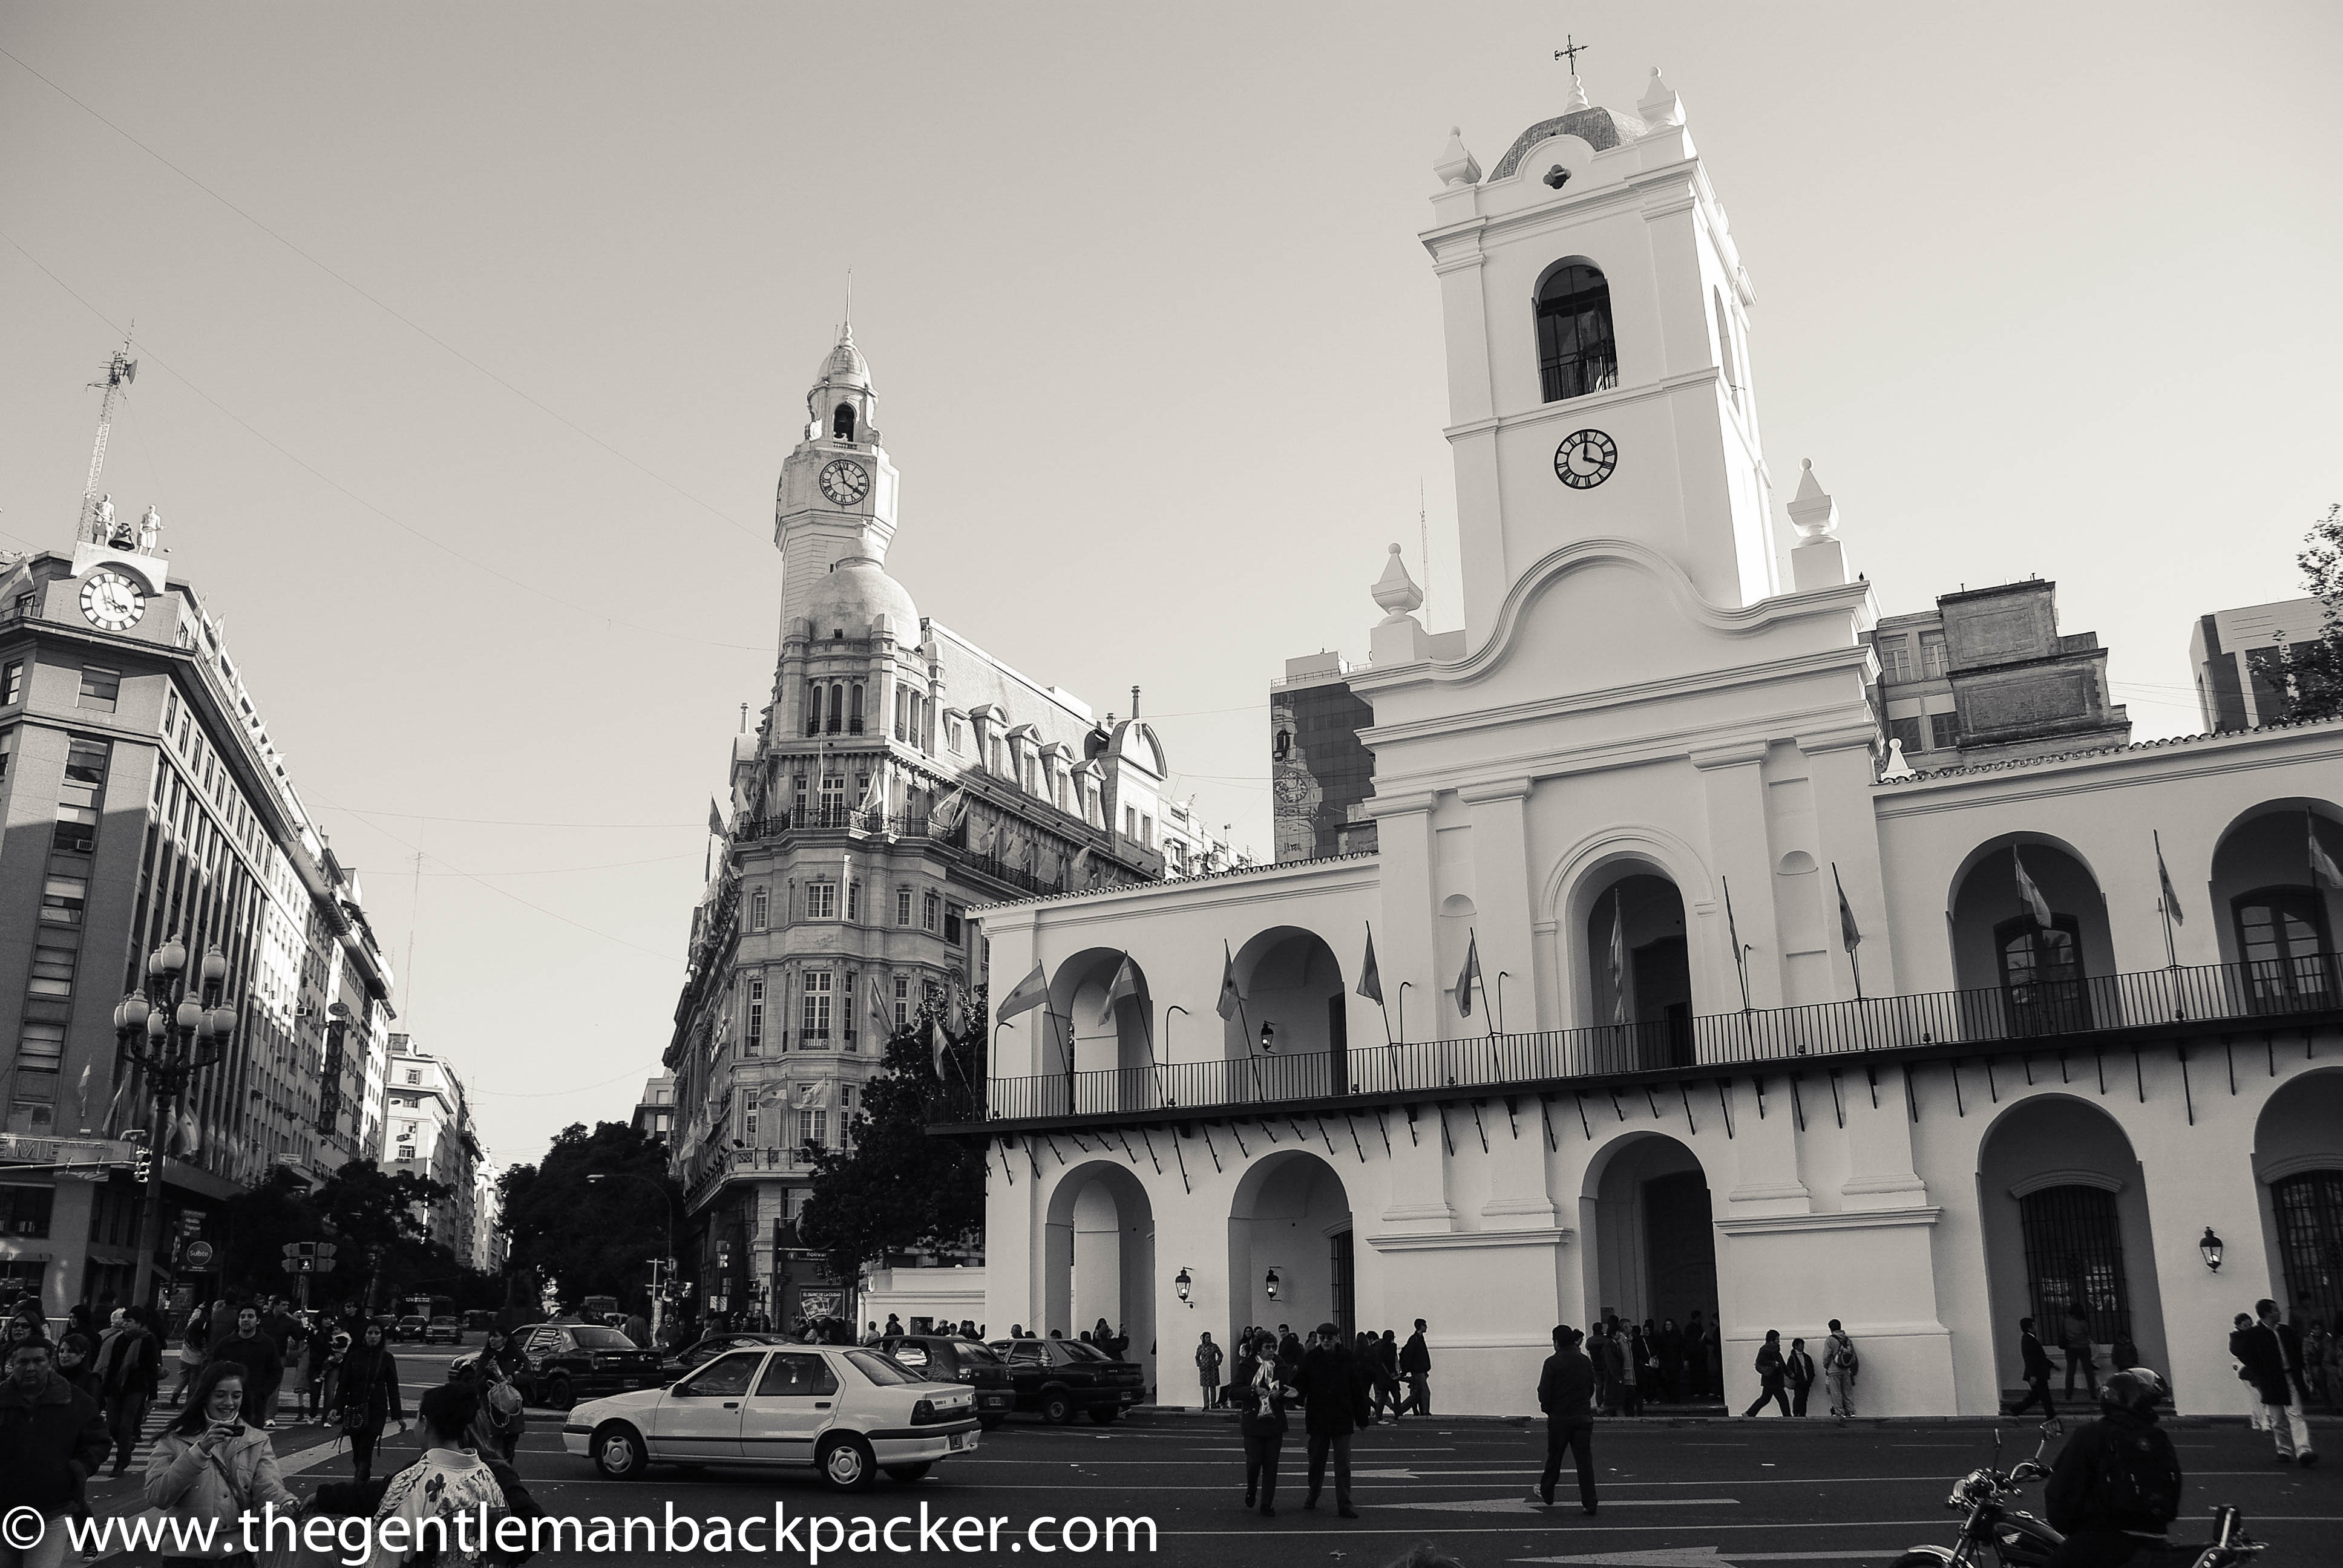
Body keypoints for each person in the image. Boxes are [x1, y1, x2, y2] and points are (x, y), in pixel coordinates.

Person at [143, 1359, 298, 1564]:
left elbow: (268, 1486)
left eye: (236, 1396)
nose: (229, 1403)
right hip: (185, 1554)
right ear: (205, 1396)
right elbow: (158, 1495)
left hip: (236, 1553)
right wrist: (199, 1451)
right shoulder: (175, 1439)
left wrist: (285, 1502)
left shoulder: (256, 1440)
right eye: (220, 1395)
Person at [2042, 1368, 2181, 1568]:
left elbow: (2061, 1495)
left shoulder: (2092, 1435)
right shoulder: (2158, 1437)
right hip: (2156, 1538)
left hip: (2104, 1542)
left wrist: (2070, 1526)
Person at [370, 1382, 508, 1566]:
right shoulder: (487, 1477)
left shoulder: (412, 1484)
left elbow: (384, 1558)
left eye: (417, 1419)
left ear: (425, 1423)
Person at [1, 1335, 110, 1568]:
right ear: (12, 1364)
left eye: (38, 1361)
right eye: (23, 1362)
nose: (31, 1368)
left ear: (50, 1363)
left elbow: (99, 1442)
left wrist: (79, 1469)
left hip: (52, 1510)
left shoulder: (76, 1401)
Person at [1294, 1322, 1369, 1518]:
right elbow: (1300, 1384)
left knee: (1343, 1463)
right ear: (1318, 1339)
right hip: (1318, 1417)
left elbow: (1357, 1390)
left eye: (1330, 1338)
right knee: (1316, 1461)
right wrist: (1295, 1396)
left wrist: (1362, 1417)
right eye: (1322, 1338)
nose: (1326, 1341)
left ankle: (1344, 1503)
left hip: (1342, 1416)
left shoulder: (1348, 1359)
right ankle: (1313, 1493)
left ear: (1337, 1338)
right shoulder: (1310, 1358)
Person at [2232, 1299, 2317, 1466]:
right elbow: (2246, 1354)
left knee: (2296, 1414)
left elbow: (2297, 1353)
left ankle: (2303, 1450)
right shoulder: (2255, 1334)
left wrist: (2303, 1372)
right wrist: (2260, 1373)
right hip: (2271, 1379)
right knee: (2278, 1418)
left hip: (2290, 1376)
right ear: (2267, 1313)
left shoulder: (2285, 1331)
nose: (2279, 1312)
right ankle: (2284, 1449)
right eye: (2275, 1310)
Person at [1530, 1324, 1598, 1515]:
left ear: (1557, 1342)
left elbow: (1544, 1390)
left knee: (1555, 1457)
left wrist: (1548, 1409)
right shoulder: (1585, 1361)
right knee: (1584, 1461)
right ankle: (1590, 1501)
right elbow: (1591, 1388)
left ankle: (1548, 1491)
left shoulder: (1552, 1363)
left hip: (1560, 1418)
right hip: (1582, 1416)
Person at [336, 1321, 408, 1484]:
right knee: (357, 1451)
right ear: (364, 1335)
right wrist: (336, 1408)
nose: (373, 1337)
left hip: (377, 1409)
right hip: (355, 1407)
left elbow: (393, 1387)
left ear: (382, 1336)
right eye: (370, 1333)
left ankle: (359, 1485)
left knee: (366, 1448)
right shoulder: (354, 1356)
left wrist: (398, 1415)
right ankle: (362, 1480)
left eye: (377, 1333)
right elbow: (343, 1384)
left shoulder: (387, 1358)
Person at [95, 1305, 162, 1478]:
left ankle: (121, 1462)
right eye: (124, 1321)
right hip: (116, 1388)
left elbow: (151, 1369)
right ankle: (126, 1446)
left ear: (140, 1323)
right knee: (111, 1425)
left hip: (136, 1388)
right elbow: (112, 1366)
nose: (125, 1324)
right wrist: (105, 1389)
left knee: (126, 1426)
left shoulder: (148, 1340)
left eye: (129, 1321)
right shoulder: (120, 1340)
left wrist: (153, 1395)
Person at [1239, 1330, 1294, 1516]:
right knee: (1254, 1461)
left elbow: (1287, 1388)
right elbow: (1234, 1391)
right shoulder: (1246, 1365)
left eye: (1273, 1347)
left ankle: (1267, 1503)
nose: (1271, 1351)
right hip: (1253, 1421)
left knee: (1271, 1464)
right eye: (1267, 1347)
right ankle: (1252, 1487)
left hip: (1274, 1421)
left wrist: (1284, 1396)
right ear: (1258, 1348)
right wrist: (1254, 1391)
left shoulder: (1280, 1365)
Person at [209, 1305, 283, 1428]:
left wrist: (263, 1392)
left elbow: (276, 1371)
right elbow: (214, 1369)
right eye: (242, 1317)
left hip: (255, 1401)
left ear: (258, 1320)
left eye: (250, 1316)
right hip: (228, 1401)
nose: (245, 1320)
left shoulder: (267, 1344)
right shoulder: (225, 1344)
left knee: (252, 1438)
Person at [2010, 1315, 2059, 1425]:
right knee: (2045, 1396)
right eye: (2034, 1325)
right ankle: (2051, 1417)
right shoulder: (2028, 1340)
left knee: (2036, 1396)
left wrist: (2052, 1365)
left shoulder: (2030, 1339)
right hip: (2036, 1374)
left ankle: (2016, 1409)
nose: (2036, 1326)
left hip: (2038, 1373)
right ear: (2030, 1328)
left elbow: (2039, 1357)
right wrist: (2033, 1375)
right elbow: (2031, 1359)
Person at [1743, 1330, 1790, 1417]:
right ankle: (1787, 1416)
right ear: (1773, 1340)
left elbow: (1782, 1364)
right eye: (1777, 1339)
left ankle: (1749, 1413)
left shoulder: (1774, 1350)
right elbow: (1760, 1361)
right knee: (1782, 1399)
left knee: (1765, 1399)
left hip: (1771, 1380)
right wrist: (1773, 1363)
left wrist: (1789, 1373)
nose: (1779, 1341)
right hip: (1772, 1380)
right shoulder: (1767, 1350)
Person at [1822, 1319, 1860, 1421]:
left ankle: (1840, 1413)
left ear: (1831, 1329)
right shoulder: (1847, 1340)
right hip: (1846, 1370)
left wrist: (1826, 1366)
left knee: (1836, 1393)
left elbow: (1826, 1357)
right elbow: (1854, 1356)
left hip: (1834, 1370)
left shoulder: (1830, 1340)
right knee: (1847, 1392)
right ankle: (1851, 1411)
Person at [2061, 1306, 2097, 1397]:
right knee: (2088, 1372)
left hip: (2070, 1348)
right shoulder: (2083, 1322)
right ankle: (2093, 1394)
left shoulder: (2066, 1321)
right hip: (2084, 1347)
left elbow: (2063, 1332)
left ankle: (2068, 1394)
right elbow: (2088, 1333)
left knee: (2070, 1371)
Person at [1400, 1318, 1431, 1417]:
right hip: (1418, 1370)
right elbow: (1410, 1355)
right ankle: (1424, 1411)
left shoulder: (1418, 1338)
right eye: (1425, 1325)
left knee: (1418, 1392)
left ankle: (1405, 1409)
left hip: (1420, 1370)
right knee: (1424, 1391)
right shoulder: (1415, 1339)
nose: (1426, 1327)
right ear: (1421, 1326)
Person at [1374, 1330, 1402, 1421]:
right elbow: (1393, 1360)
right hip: (1392, 1375)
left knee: (1383, 1396)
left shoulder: (1379, 1347)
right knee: (1396, 1395)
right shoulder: (1393, 1347)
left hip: (1383, 1376)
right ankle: (1397, 1414)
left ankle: (1379, 1415)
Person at [1786, 1337, 1817, 1417]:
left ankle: (1802, 1414)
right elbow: (1789, 1370)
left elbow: (1811, 1369)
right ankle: (1796, 1413)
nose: (1803, 1347)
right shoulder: (1792, 1358)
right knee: (1798, 1398)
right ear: (1796, 1346)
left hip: (1806, 1382)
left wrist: (1810, 1379)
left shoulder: (1806, 1357)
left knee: (1804, 1399)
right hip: (1798, 1382)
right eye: (1801, 1345)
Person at [1195, 1331, 1224, 1410]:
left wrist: (1218, 1363)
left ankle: (1213, 1404)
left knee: (1213, 1387)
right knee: (1205, 1387)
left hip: (1213, 1369)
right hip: (1204, 1370)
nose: (1209, 1339)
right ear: (1204, 1338)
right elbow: (1197, 1357)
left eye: (1210, 1337)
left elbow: (1221, 1355)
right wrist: (1199, 1365)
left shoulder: (1214, 1346)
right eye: (1207, 1337)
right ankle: (1206, 1405)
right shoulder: (1200, 1347)